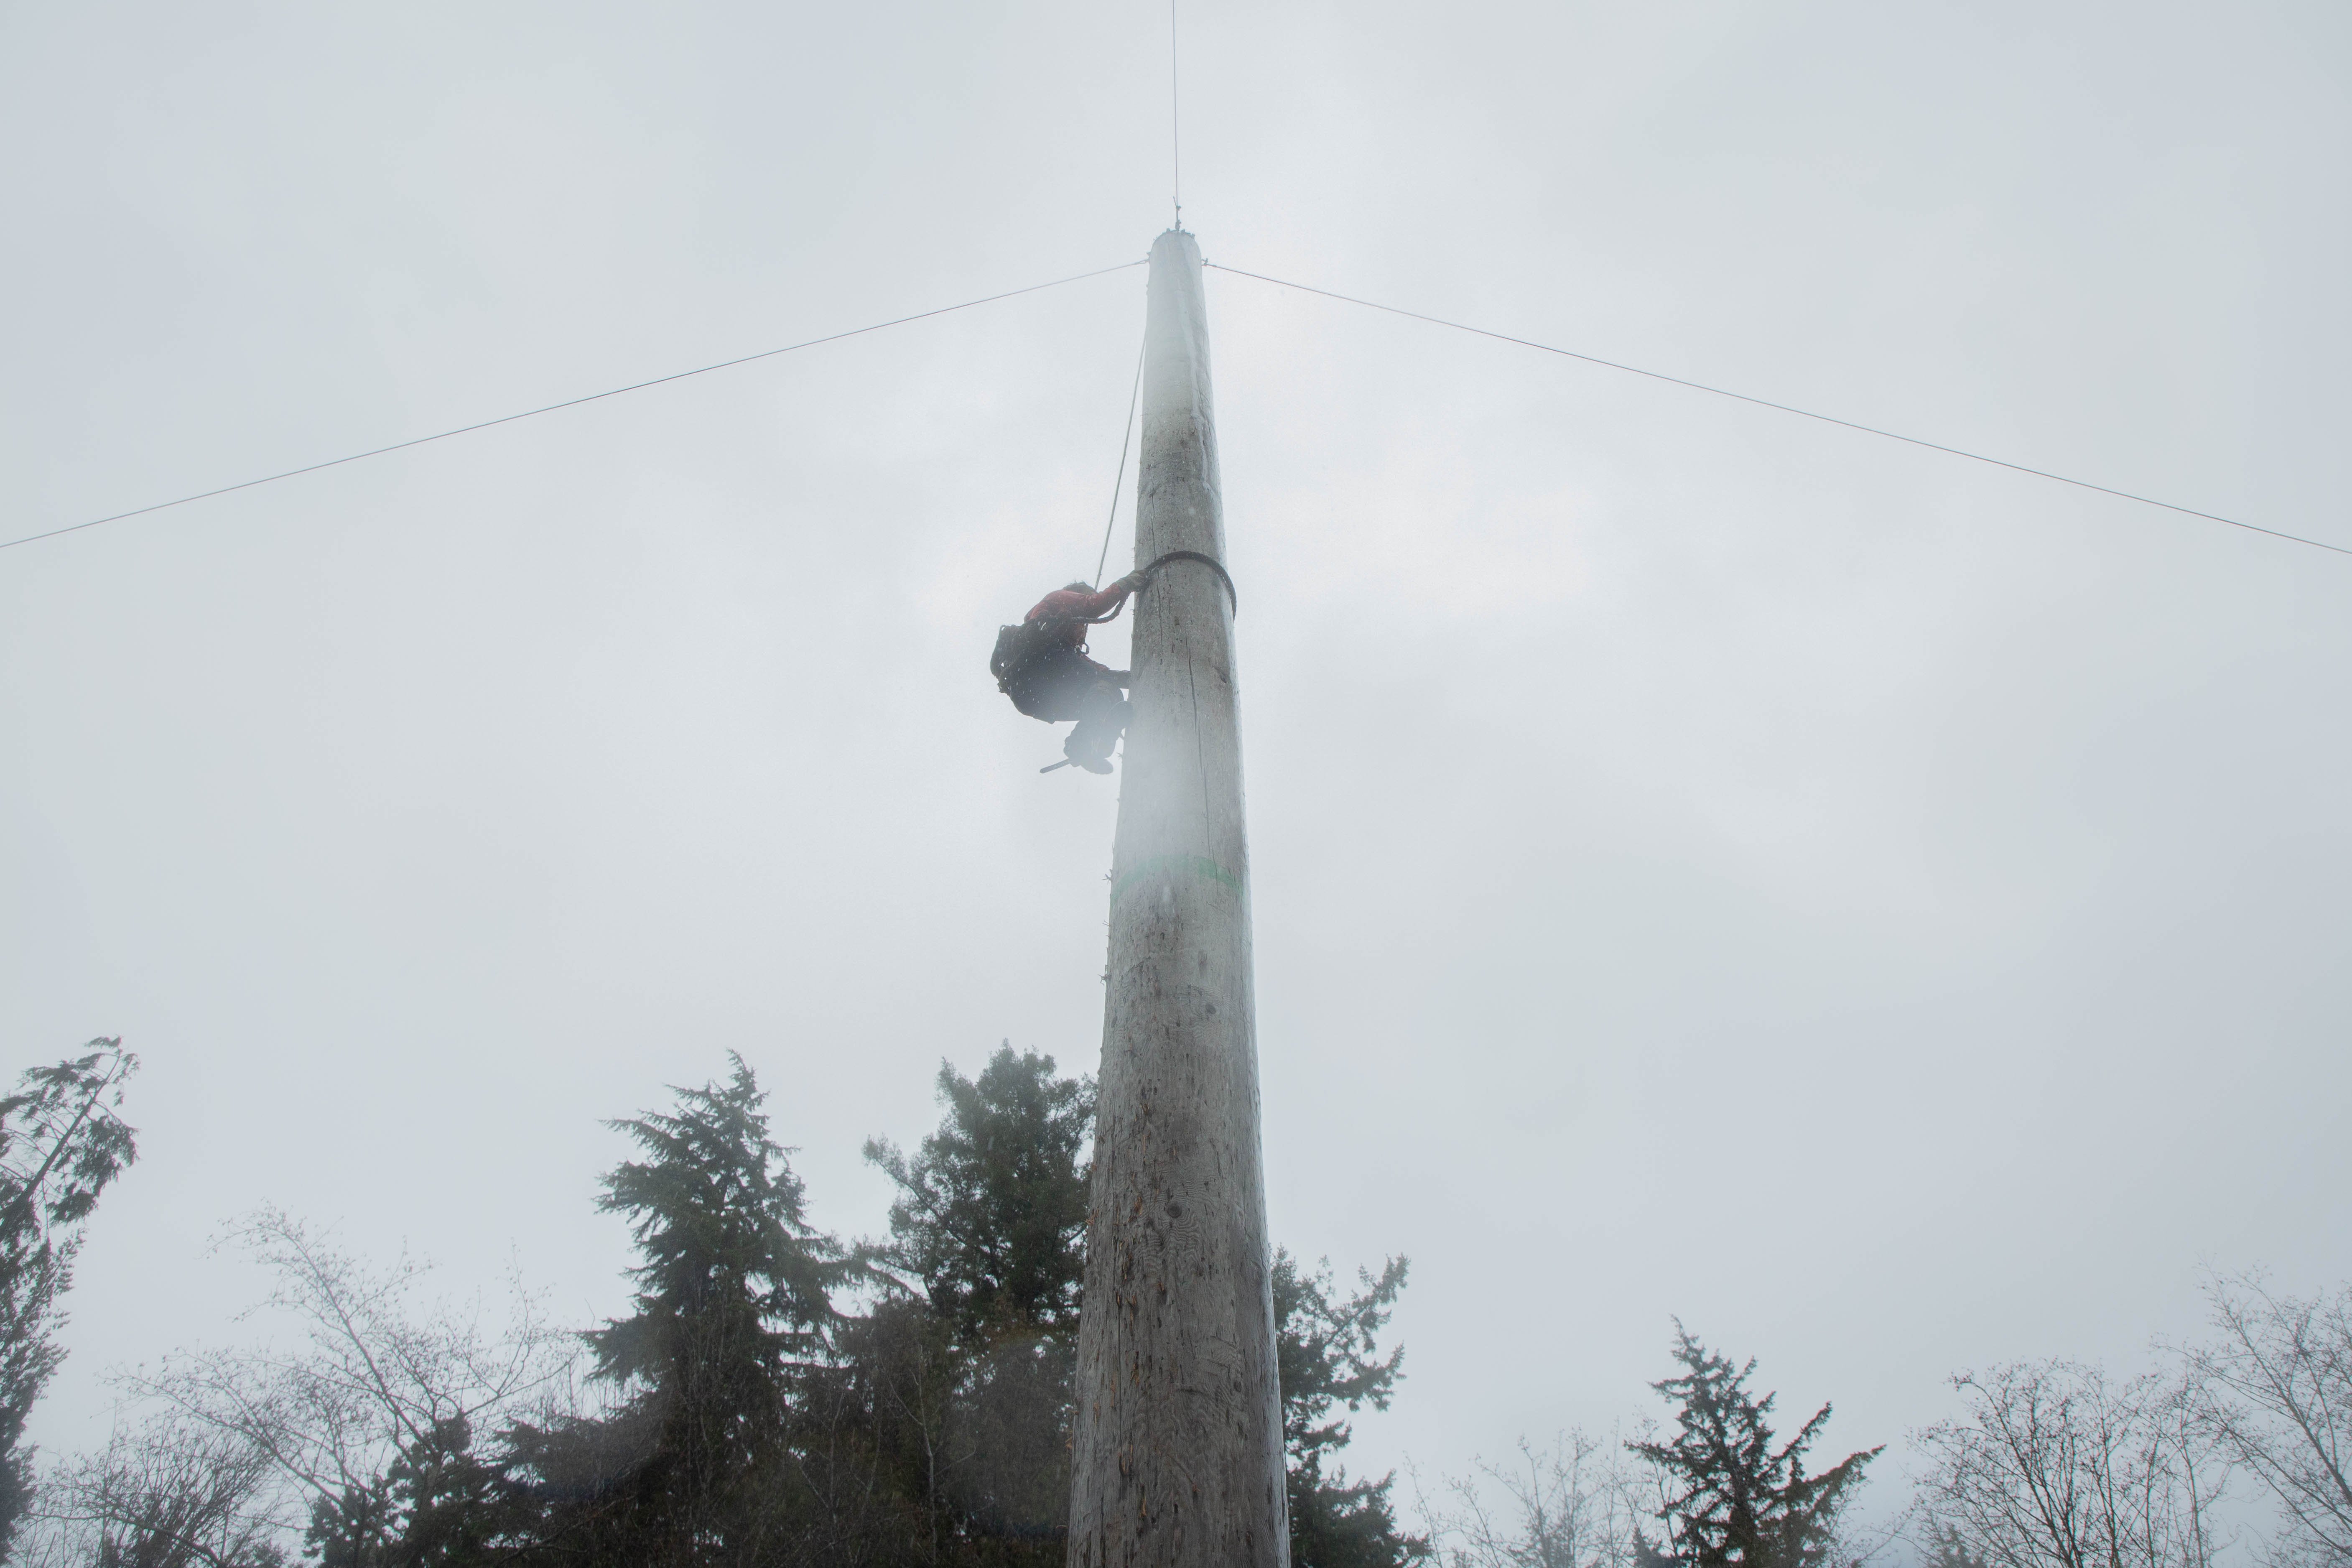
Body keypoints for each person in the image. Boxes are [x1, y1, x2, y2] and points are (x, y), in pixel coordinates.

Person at [993, 572, 1148, 773]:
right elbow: (1094, 605)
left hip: (1032, 698)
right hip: (1041, 667)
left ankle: (1084, 747)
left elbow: (1093, 669)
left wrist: (1134, 678)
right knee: (1104, 689)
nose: (1083, 629)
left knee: (1106, 696)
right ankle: (1088, 735)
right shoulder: (1060, 599)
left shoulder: (1059, 643)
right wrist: (1125, 584)